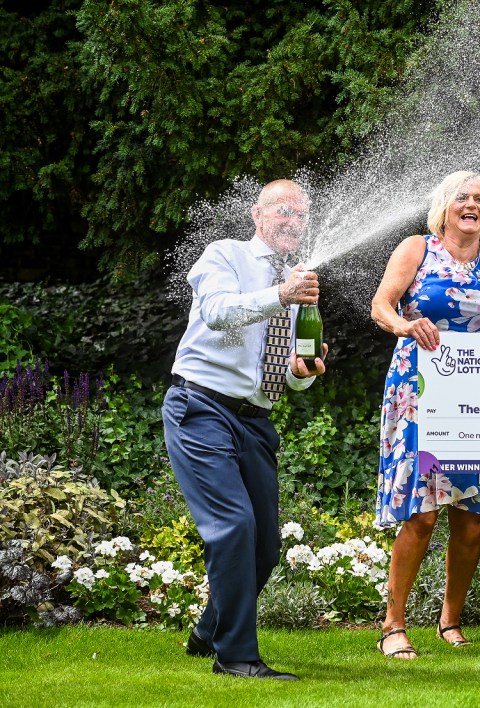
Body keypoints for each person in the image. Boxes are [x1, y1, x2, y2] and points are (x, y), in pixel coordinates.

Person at [162, 179, 327, 680]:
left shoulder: (301, 282)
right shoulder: (225, 255)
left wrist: (302, 374)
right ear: (258, 215)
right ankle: (235, 656)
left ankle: (210, 630)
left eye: (301, 215)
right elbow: (216, 313)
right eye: (282, 210)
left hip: (255, 419)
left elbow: (291, 369)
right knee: (233, 526)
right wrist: (281, 294)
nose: (292, 221)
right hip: (201, 407)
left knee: (265, 543)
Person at [370, 170, 480, 659]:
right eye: (463, 197)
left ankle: (450, 621)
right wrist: (406, 325)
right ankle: (393, 625)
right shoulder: (417, 248)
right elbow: (381, 305)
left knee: (472, 517)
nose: (472, 204)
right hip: (419, 389)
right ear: (445, 206)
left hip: (479, 395)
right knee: (421, 514)